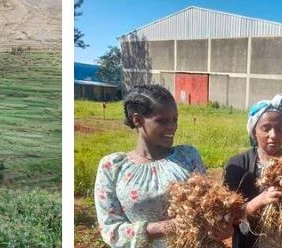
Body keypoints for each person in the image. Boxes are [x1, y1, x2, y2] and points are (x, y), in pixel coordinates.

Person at [94, 84, 220, 247]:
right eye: (162, 121)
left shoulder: (187, 156)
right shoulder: (112, 166)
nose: (172, 127)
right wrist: (164, 227)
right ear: (137, 120)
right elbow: (110, 229)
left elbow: (207, 207)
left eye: (175, 119)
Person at [223, 94, 282, 247]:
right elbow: (226, 218)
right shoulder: (238, 165)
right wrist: (259, 202)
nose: (273, 135)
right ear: (254, 132)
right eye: (266, 128)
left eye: (279, 129)